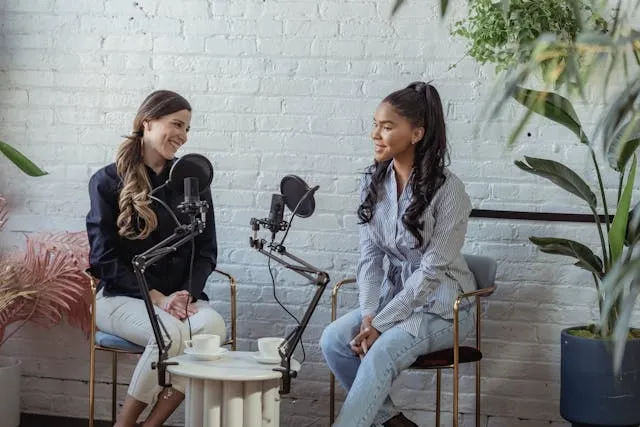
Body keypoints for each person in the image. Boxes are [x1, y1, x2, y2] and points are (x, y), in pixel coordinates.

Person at [320, 81, 477, 427]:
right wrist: (368, 314)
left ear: (417, 133)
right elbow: (369, 258)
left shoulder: (450, 191)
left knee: (381, 351)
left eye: (387, 126)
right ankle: (393, 422)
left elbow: (431, 272)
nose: (375, 134)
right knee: (333, 340)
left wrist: (380, 324)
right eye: (375, 124)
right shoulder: (372, 181)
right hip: (393, 301)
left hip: (443, 307)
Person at [86, 90, 226, 427]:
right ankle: (125, 423)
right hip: (121, 297)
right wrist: (157, 298)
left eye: (187, 128)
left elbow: (206, 250)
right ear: (147, 122)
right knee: (168, 337)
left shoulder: (192, 180)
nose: (182, 135)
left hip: (178, 300)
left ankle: (151, 425)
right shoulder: (106, 181)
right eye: (176, 123)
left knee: (212, 328)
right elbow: (103, 258)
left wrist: (185, 294)